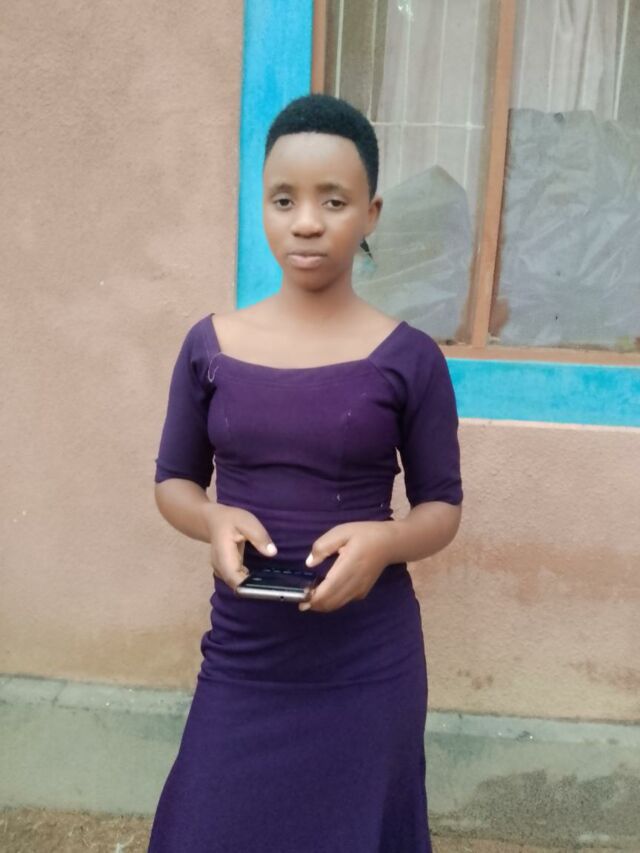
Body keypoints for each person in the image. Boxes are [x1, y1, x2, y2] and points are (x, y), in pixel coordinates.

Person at [148, 93, 463, 853]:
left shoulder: (410, 357)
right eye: (284, 199)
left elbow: (442, 508)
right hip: (245, 655)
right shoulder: (210, 346)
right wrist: (212, 518)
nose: (308, 222)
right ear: (262, 206)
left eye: (334, 200)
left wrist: (385, 542)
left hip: (368, 662)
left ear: (372, 213)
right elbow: (173, 483)